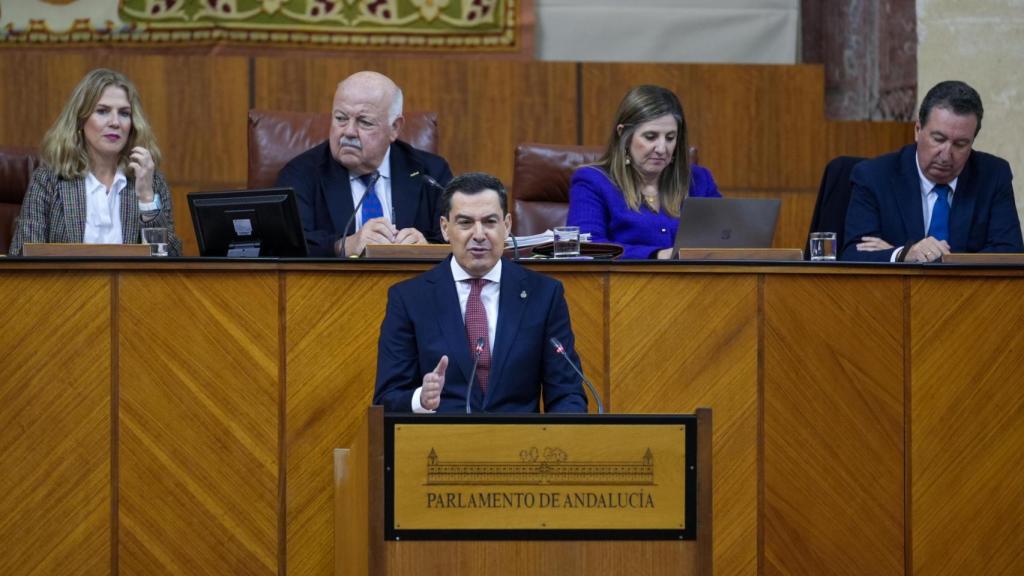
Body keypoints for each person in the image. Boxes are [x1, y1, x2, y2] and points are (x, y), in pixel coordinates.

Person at [374, 172, 589, 414]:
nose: (478, 235)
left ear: (506, 226)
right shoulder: (410, 299)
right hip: (440, 446)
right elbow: (387, 398)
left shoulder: (544, 295)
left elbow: (567, 393)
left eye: (489, 222)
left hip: (521, 446)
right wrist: (420, 400)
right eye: (465, 222)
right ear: (445, 229)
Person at [275, 71, 453, 257]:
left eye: (365, 122)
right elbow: (287, 246)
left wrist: (426, 247)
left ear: (395, 127)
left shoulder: (432, 173)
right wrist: (343, 246)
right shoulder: (301, 174)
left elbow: (456, 238)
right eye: (341, 118)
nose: (349, 132)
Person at [843, 80, 1023, 262]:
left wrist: (926, 258)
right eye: (938, 139)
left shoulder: (993, 175)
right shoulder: (874, 176)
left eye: (960, 144)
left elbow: (1010, 252)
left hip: (969, 291)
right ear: (917, 130)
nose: (946, 155)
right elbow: (853, 254)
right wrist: (903, 253)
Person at [10, 68, 181, 256]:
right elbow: (22, 259)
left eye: (124, 113)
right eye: (102, 111)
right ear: (80, 120)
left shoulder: (151, 181)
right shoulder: (49, 180)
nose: (115, 122)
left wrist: (147, 199)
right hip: (65, 285)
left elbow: (168, 264)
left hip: (130, 286)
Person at [566, 85, 720, 259]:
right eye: (650, 137)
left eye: (670, 138)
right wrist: (657, 255)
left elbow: (726, 239)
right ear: (624, 135)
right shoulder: (592, 181)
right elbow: (587, 248)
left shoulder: (699, 180)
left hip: (696, 284)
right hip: (622, 284)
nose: (662, 148)